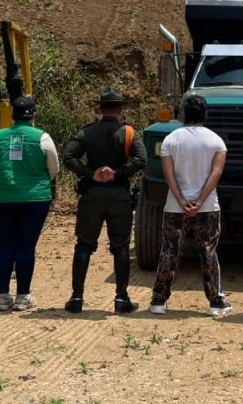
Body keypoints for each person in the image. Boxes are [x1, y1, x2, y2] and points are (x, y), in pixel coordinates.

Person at [62, 87, 146, 315]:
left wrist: (91, 173)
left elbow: (69, 157)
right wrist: (118, 173)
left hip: (92, 195)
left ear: (100, 109)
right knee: (120, 247)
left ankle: (77, 298)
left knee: (84, 245)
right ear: (120, 109)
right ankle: (121, 299)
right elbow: (141, 159)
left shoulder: (87, 132)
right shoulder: (129, 133)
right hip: (119, 196)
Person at [149, 95, 231, 317]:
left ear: (183, 113)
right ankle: (215, 301)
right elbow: (216, 174)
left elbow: (169, 175)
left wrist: (182, 199)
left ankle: (159, 299)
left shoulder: (171, 140)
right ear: (205, 114)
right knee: (208, 250)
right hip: (207, 207)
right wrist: (200, 201)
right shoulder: (216, 141)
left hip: (175, 205)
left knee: (170, 249)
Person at [0, 96, 60, 312]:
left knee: (6, 245)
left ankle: (1, 296)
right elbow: (53, 168)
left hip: (0, 198)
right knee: (26, 245)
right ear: (33, 114)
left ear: (12, 114)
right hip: (34, 199)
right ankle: (23, 296)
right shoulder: (42, 138)